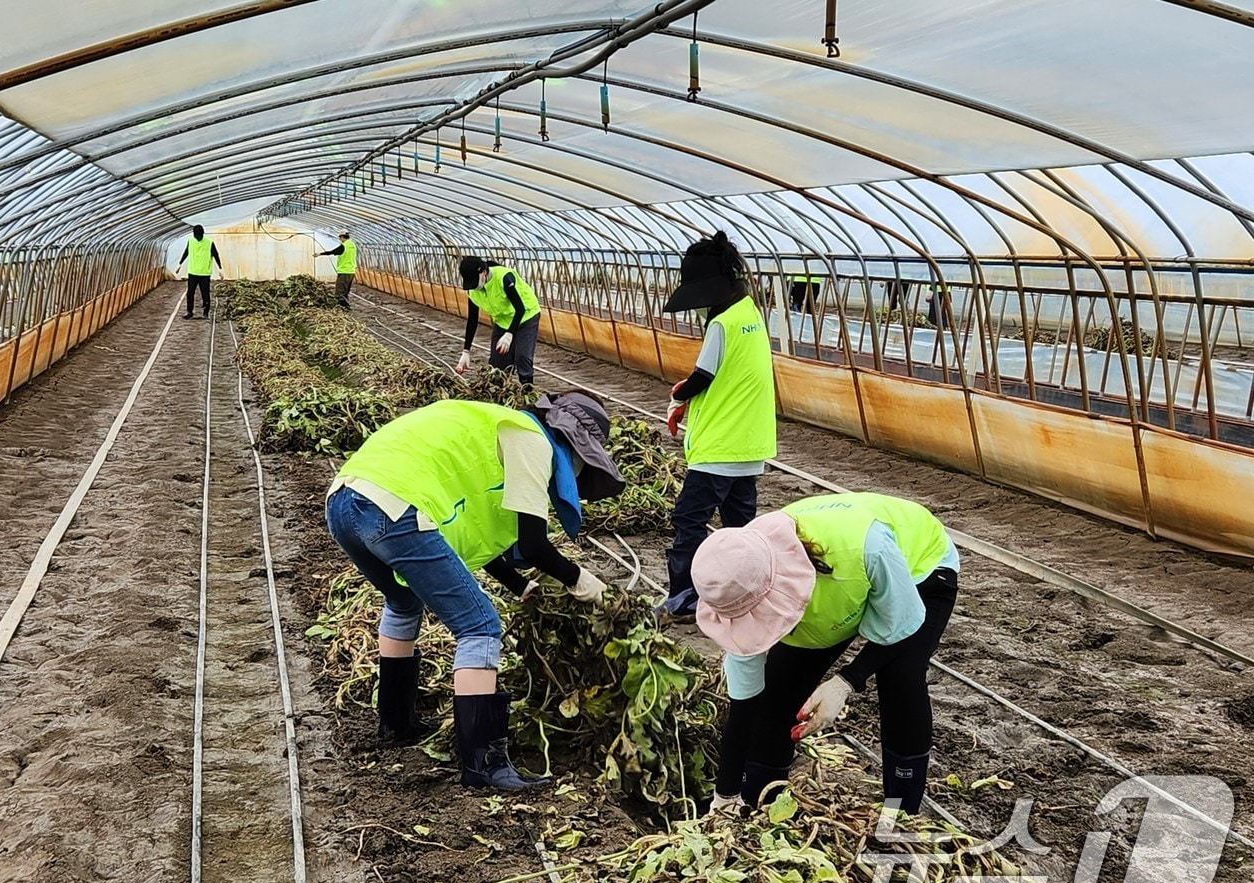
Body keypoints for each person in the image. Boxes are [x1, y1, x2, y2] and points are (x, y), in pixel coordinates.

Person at [326, 392, 625, 790]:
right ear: (572, 445)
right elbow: (535, 545)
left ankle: (396, 722)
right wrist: (580, 580)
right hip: (394, 507)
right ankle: (484, 765)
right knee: (480, 626)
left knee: (403, 601)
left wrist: (519, 585)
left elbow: (472, 530)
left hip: (346, 500)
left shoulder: (497, 427)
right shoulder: (531, 441)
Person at [691, 492, 960, 815]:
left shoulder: (866, 548)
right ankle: (759, 804)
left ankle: (900, 811)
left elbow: (904, 624)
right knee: (775, 700)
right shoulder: (738, 582)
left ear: (782, 589)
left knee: (901, 677)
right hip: (838, 599)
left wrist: (844, 683)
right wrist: (726, 794)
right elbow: (745, 704)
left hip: (919, 570)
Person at [656, 231, 777, 624]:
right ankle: (748, 594)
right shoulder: (751, 315)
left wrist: (679, 396)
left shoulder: (722, 323)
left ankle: (684, 599)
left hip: (718, 449)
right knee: (742, 528)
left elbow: (703, 375)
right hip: (750, 446)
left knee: (688, 522)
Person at [455, 257, 541, 386]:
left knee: (522, 358)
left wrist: (509, 334)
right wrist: (466, 351)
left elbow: (520, 309)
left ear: (483, 272)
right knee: (497, 363)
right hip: (503, 321)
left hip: (526, 317)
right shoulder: (473, 291)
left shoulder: (504, 278)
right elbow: (472, 320)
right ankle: (500, 393)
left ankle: (528, 392)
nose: (474, 286)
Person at [173, 225, 223, 319]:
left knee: (205, 294)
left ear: (203, 234)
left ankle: (205, 312)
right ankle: (189, 311)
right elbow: (186, 252)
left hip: (205, 273)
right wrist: (179, 264)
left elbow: (216, 255)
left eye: (200, 236)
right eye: (197, 236)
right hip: (193, 272)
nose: (198, 237)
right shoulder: (191, 241)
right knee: (190, 293)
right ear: (194, 234)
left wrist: (220, 269)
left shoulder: (209, 242)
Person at [314, 231, 357, 309]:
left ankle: (344, 308)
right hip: (351, 271)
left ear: (341, 237)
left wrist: (320, 254)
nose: (339, 239)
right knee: (345, 291)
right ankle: (345, 306)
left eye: (340, 237)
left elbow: (333, 252)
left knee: (339, 292)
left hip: (344, 271)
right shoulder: (352, 245)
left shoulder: (344, 246)